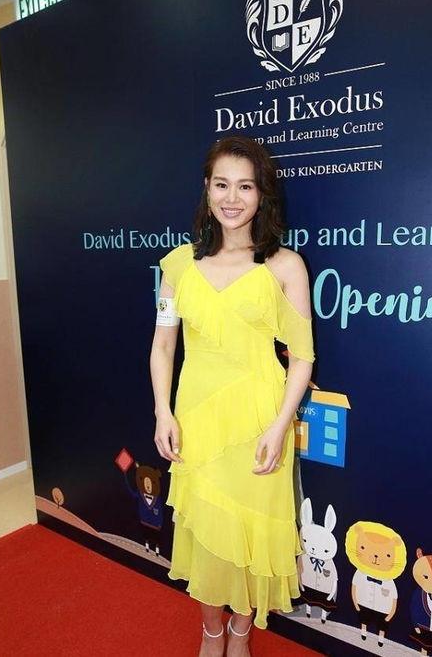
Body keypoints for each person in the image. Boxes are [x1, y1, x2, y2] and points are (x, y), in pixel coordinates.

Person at [150, 135, 315, 657]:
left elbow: (302, 358)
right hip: (197, 418)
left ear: (262, 194)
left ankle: (240, 635)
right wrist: (163, 411)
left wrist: (279, 426)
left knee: (250, 531)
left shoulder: (284, 266)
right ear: (207, 188)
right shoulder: (178, 266)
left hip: (260, 421)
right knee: (206, 531)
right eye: (222, 184)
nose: (232, 198)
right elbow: (163, 346)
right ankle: (211, 632)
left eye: (245, 186)